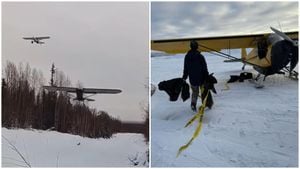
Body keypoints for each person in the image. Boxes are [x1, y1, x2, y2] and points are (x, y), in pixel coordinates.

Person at [182, 40, 209, 111]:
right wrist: (207, 76)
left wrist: (184, 77)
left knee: (195, 92)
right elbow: (204, 68)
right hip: (202, 78)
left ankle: (193, 104)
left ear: (190, 47)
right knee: (203, 91)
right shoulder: (200, 56)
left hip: (192, 79)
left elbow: (186, 68)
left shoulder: (187, 57)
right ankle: (205, 104)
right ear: (197, 47)